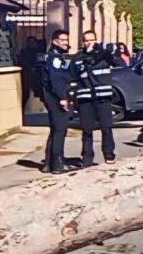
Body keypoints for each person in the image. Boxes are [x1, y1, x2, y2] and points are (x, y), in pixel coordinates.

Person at [74, 30, 125, 166]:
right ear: (82, 42)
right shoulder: (78, 58)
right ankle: (87, 158)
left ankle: (109, 154)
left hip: (102, 97)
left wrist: (107, 52)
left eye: (91, 40)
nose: (89, 43)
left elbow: (119, 63)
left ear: (96, 40)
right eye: (86, 40)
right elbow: (73, 77)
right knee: (86, 130)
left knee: (106, 127)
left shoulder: (103, 55)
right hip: (85, 98)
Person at [40, 29, 77, 174]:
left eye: (67, 40)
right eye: (63, 40)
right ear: (55, 41)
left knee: (55, 129)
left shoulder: (53, 57)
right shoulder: (55, 58)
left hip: (53, 96)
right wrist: (63, 98)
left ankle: (49, 163)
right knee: (60, 130)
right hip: (56, 97)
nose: (66, 43)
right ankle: (58, 164)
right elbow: (56, 81)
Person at [17, 36, 42, 108]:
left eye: (33, 42)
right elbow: (22, 62)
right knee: (26, 93)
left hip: (33, 75)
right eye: (30, 42)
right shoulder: (25, 51)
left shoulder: (36, 51)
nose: (32, 43)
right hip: (27, 75)